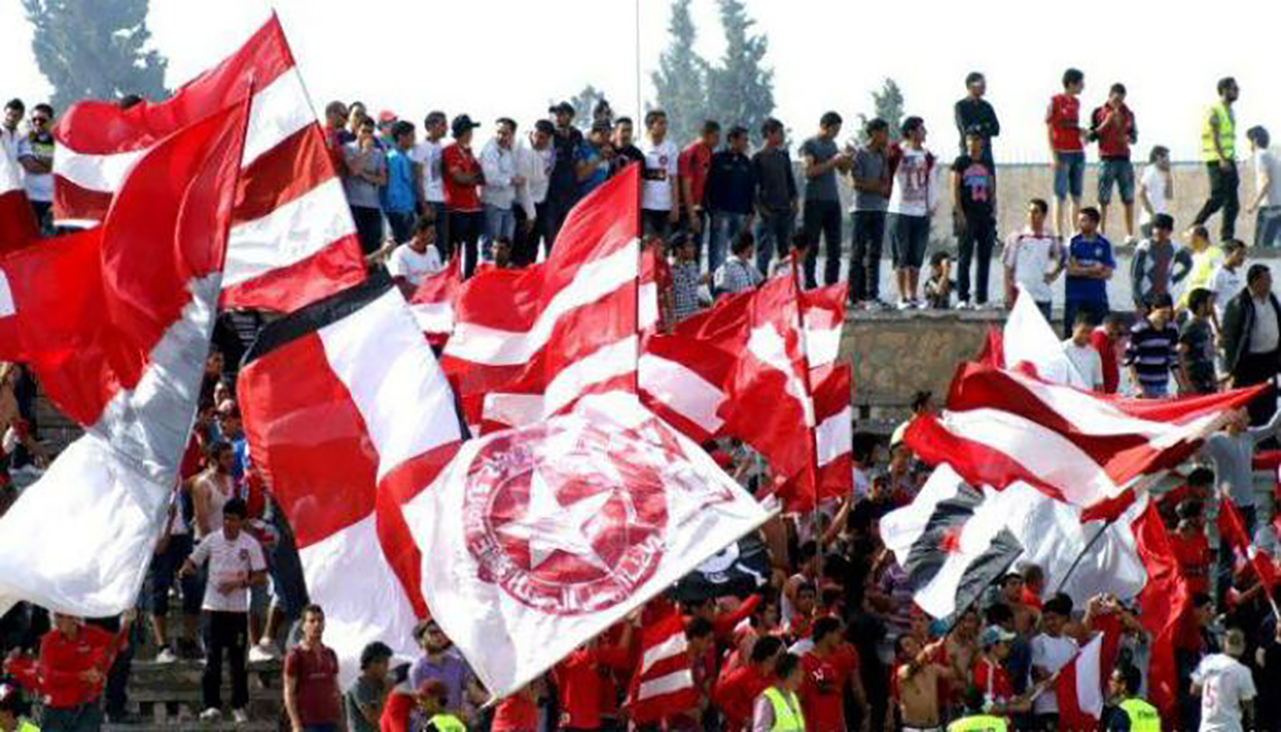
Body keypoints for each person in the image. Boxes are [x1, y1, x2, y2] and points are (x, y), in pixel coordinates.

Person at [180, 498, 267, 723]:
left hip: (238, 610)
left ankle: (239, 705)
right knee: (212, 659)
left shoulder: (250, 544)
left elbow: (260, 576)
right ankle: (211, 705)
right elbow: (192, 561)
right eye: (226, 518)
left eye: (234, 520)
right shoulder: (212, 539)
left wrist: (238, 584)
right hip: (213, 608)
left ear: (242, 521)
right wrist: (187, 570)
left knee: (238, 660)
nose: (229, 524)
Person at [887, 117, 938, 309]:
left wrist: (931, 206)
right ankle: (902, 297)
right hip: (899, 210)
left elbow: (931, 181)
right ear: (911, 132)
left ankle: (913, 295)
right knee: (901, 256)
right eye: (921, 129)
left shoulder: (928, 156)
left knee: (916, 256)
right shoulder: (898, 152)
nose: (925, 132)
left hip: (920, 211)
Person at [1221, 264, 1281, 424]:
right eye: (1267, 279)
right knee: (1249, 403)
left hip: (1270, 360)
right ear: (1255, 281)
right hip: (1248, 363)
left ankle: (1267, 438)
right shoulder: (1239, 303)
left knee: (1269, 398)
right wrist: (1230, 370)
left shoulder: (1272, 299)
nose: (1270, 283)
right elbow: (1230, 339)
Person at [800, 112, 851, 289]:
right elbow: (809, 171)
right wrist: (832, 161)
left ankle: (831, 285)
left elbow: (843, 171)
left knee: (834, 248)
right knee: (812, 246)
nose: (836, 133)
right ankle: (809, 283)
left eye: (838, 130)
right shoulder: (810, 144)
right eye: (834, 129)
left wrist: (846, 158)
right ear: (824, 126)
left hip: (832, 201)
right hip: (814, 200)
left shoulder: (833, 144)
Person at [849, 118, 893, 309]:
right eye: (884, 132)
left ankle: (871, 294)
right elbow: (856, 183)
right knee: (858, 253)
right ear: (874, 133)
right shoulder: (860, 154)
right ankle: (853, 295)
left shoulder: (882, 156)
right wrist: (876, 186)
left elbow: (885, 183)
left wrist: (878, 186)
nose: (887, 137)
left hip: (878, 209)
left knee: (875, 254)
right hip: (861, 210)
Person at [952, 126, 997, 309]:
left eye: (977, 139)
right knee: (965, 257)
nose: (973, 143)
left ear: (983, 142)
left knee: (984, 258)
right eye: (970, 139)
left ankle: (981, 298)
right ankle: (963, 297)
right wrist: (959, 212)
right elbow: (954, 187)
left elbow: (992, 186)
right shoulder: (961, 162)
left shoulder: (987, 162)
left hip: (985, 215)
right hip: (967, 214)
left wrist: (994, 208)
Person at [1193, 77, 1242, 241]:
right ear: (1224, 90)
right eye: (1234, 89)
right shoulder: (1214, 109)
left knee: (1233, 203)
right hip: (1216, 159)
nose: (1237, 91)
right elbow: (1214, 135)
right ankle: (1195, 226)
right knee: (1218, 198)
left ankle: (1227, 237)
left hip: (1228, 159)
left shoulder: (1230, 110)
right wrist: (1222, 158)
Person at [800, 616, 868, 732]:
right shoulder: (804, 663)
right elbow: (799, 698)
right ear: (827, 635)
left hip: (837, 725)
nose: (841, 639)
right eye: (838, 634)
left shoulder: (842, 658)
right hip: (813, 726)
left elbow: (854, 687)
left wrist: (866, 711)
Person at [1090, 83, 1139, 242]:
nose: (1118, 102)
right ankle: (1101, 232)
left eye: (1121, 99)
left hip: (1124, 159)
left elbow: (1134, 137)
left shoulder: (1129, 114)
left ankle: (1129, 234)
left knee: (1128, 198)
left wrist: (1128, 138)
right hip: (1106, 159)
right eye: (1116, 99)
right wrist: (1107, 122)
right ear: (1110, 96)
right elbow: (1091, 136)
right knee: (1103, 198)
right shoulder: (1099, 112)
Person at [408, 619, 484, 721]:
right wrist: (457, 715)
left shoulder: (458, 663)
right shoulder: (417, 669)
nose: (440, 635)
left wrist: (501, 695)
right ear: (421, 639)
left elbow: (474, 694)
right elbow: (424, 707)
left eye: (443, 631)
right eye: (433, 632)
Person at [706, 125, 757, 278]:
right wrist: (712, 212)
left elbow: (751, 190)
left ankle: (737, 288)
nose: (746, 143)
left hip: (741, 214)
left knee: (739, 254)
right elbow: (709, 187)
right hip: (721, 213)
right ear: (732, 140)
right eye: (743, 140)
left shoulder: (747, 163)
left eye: (747, 140)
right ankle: (716, 290)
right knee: (718, 253)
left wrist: (750, 213)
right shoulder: (717, 159)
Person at [283, 605, 342, 732]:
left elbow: (336, 688)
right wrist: (295, 724)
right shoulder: (295, 655)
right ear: (303, 626)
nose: (317, 624)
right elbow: (289, 693)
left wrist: (341, 720)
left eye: (320, 620)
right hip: (307, 723)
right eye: (312, 620)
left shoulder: (330, 654)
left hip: (330, 721)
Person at [1003, 198, 1064, 320]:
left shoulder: (1050, 237)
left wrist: (1054, 274)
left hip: (1043, 296)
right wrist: (1008, 294)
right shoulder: (1017, 236)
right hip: (1022, 295)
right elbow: (1008, 267)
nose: (1031, 215)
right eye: (1030, 211)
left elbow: (1062, 259)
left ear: (1044, 215)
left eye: (1036, 211)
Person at [753, 118, 798, 277]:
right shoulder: (757, 157)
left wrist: (795, 201)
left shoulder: (783, 155)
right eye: (779, 133)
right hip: (768, 212)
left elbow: (790, 181)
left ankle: (784, 285)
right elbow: (754, 188)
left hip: (785, 210)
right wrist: (761, 210)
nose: (782, 136)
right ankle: (761, 285)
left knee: (785, 251)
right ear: (769, 134)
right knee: (765, 251)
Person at [442, 115, 485, 278]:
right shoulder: (449, 150)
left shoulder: (468, 152)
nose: (472, 134)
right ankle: (454, 280)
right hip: (457, 207)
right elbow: (459, 178)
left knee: (473, 247)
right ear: (465, 132)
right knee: (456, 249)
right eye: (470, 130)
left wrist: (471, 177)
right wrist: (472, 177)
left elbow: (482, 176)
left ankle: (469, 280)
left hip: (473, 207)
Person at [1046, 68, 1087, 237]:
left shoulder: (1077, 103)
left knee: (1076, 193)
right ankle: (1058, 232)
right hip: (1061, 152)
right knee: (1060, 193)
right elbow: (1049, 128)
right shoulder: (1055, 101)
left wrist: (1082, 132)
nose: (1083, 86)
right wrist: (1052, 154)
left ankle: (1075, 231)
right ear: (1071, 83)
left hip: (1077, 151)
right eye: (1080, 83)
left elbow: (1071, 126)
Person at [1191, 628, 1256, 732]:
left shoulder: (1208, 661)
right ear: (1243, 647)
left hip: (1207, 727)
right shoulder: (1243, 671)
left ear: (1224, 644)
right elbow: (1247, 703)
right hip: (1230, 727)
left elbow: (1194, 690)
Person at [1063, 206, 1115, 338]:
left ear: (1094, 223)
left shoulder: (1104, 244)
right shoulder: (1072, 242)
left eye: (1083, 220)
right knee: (1071, 335)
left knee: (1099, 335)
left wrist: (1081, 269)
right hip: (1075, 298)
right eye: (1079, 220)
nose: (1079, 224)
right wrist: (1093, 269)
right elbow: (1070, 271)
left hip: (1098, 298)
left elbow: (1108, 273)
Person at [1030, 595, 1079, 730]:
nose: (1050, 623)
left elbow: (1076, 675)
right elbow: (1042, 673)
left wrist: (1061, 682)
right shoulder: (1038, 642)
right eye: (1046, 619)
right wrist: (1065, 681)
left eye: (1054, 618)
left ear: (1064, 618)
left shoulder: (1073, 645)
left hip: (1067, 708)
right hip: (1046, 708)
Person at [479, 117, 524, 263]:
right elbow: (490, 177)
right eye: (498, 132)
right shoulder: (490, 149)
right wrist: (512, 180)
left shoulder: (512, 150)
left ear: (512, 135)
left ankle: (502, 281)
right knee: (491, 248)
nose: (501, 136)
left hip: (508, 204)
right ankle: (486, 280)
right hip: (492, 204)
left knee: (506, 247)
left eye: (505, 133)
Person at [343, 117, 387, 255]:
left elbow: (382, 180)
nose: (367, 135)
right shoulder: (348, 148)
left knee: (373, 247)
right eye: (364, 131)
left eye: (370, 132)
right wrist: (366, 152)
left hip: (373, 206)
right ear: (357, 130)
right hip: (354, 204)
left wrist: (364, 173)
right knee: (356, 248)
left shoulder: (378, 153)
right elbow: (354, 170)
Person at [512, 119, 553, 266]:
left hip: (540, 203)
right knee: (519, 251)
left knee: (532, 251)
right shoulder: (523, 151)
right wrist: (531, 215)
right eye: (538, 136)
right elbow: (523, 187)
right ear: (532, 133)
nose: (540, 140)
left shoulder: (547, 149)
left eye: (544, 138)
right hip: (523, 206)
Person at [1130, 213, 1192, 313]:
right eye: (1156, 228)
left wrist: (1175, 279)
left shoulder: (1174, 247)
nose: (1159, 232)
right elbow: (1135, 276)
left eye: (1164, 229)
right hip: (1146, 298)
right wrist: (1138, 301)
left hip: (1165, 298)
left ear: (1169, 231)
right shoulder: (1145, 247)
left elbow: (1188, 264)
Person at [895, 633, 956, 732]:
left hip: (934, 728)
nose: (914, 645)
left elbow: (953, 675)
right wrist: (926, 652)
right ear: (901, 654)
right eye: (907, 644)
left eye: (914, 642)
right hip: (913, 729)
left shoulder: (933, 668)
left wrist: (952, 658)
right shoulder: (902, 670)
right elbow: (912, 669)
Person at [679, 120, 721, 261]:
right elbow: (686, 185)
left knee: (696, 252)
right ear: (705, 134)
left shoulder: (709, 152)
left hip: (700, 209)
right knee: (686, 251)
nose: (717, 141)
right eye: (715, 136)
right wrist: (692, 215)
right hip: (686, 211)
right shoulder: (690, 153)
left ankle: (695, 281)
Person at [1125, 292, 1181, 398]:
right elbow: (1128, 360)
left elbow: (1173, 359)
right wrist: (1137, 386)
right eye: (1163, 313)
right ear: (1153, 308)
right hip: (1143, 384)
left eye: (1168, 313)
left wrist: (1181, 384)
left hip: (1161, 384)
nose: (1166, 317)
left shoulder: (1171, 329)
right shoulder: (1139, 329)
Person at [412, 111, 451, 259]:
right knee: (428, 242)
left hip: (441, 200)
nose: (445, 128)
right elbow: (418, 177)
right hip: (428, 200)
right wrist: (424, 204)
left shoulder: (442, 147)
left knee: (441, 245)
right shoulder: (420, 147)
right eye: (442, 124)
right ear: (430, 126)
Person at [545, 102, 584, 247]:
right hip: (551, 195)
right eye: (555, 114)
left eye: (561, 114)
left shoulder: (576, 135)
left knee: (570, 237)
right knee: (551, 238)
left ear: (570, 116)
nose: (557, 117)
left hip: (572, 194)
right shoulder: (549, 135)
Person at [641, 109, 680, 240]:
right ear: (650, 126)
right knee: (648, 248)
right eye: (661, 123)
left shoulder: (671, 148)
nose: (665, 127)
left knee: (664, 248)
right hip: (646, 207)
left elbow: (674, 178)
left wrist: (675, 206)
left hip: (665, 207)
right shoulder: (640, 147)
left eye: (665, 123)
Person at [16, 103, 53, 234]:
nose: (37, 123)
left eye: (42, 120)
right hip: (30, 201)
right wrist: (55, 164)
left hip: (53, 203)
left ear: (50, 121)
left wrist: (43, 163)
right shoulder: (25, 141)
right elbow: (30, 166)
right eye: (34, 119)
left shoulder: (59, 141)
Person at [382, 120, 419, 244]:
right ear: (401, 137)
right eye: (411, 136)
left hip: (408, 210)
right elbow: (393, 186)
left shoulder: (405, 157)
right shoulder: (393, 157)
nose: (414, 139)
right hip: (398, 212)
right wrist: (400, 211)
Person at [954, 72, 1000, 172]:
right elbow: (966, 129)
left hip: (986, 153)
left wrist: (979, 127)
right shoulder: (960, 106)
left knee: (988, 183)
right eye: (981, 84)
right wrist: (984, 126)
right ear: (971, 86)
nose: (984, 87)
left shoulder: (987, 107)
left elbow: (996, 129)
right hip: (968, 153)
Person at [387, 218, 443, 297]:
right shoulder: (400, 253)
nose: (435, 236)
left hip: (432, 297)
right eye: (431, 233)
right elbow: (402, 286)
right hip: (411, 301)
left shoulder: (433, 250)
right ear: (419, 232)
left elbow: (439, 276)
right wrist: (426, 293)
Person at [752, 652, 805, 732]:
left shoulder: (793, 697)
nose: (803, 674)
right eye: (799, 670)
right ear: (790, 672)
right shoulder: (767, 699)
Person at [1179, 288, 1219, 395]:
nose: (1212, 307)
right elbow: (1180, 355)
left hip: (1208, 383)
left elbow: (1208, 357)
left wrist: (1214, 380)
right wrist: (1187, 384)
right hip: (1195, 384)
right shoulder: (1191, 327)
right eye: (1210, 303)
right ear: (1201, 305)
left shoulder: (1207, 326)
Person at [1246, 125, 1281, 247]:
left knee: (1261, 249)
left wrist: (1254, 204)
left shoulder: (1261, 155)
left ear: (1254, 140)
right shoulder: (1272, 156)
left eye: (1248, 141)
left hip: (1269, 208)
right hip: (1278, 206)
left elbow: (1266, 181)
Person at [346, 641, 393, 732]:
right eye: (385, 663)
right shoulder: (358, 686)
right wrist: (385, 691)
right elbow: (372, 718)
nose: (387, 668)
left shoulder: (379, 684)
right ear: (372, 663)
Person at [1100, 663, 1158, 732]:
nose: (1109, 683)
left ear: (1123, 685)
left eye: (1112, 679)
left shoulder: (1120, 713)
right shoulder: (1151, 710)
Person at [1178, 226, 1223, 311]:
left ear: (1199, 237)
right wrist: (1180, 305)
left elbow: (1219, 280)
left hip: (1208, 307)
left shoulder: (1215, 253)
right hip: (1194, 306)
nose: (1187, 241)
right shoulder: (1194, 257)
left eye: (1189, 238)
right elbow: (1191, 286)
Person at [1208, 239, 1247, 327]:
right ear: (1229, 253)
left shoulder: (1236, 273)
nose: (1242, 258)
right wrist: (1217, 330)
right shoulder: (1219, 274)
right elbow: (1209, 304)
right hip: (1222, 324)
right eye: (1239, 254)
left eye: (1244, 254)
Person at [669, 231, 706, 323]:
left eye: (693, 246)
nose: (694, 249)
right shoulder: (669, 270)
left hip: (693, 320)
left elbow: (691, 285)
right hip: (678, 322)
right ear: (678, 250)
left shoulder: (692, 265)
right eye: (689, 246)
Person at [714, 231, 763, 297]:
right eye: (752, 246)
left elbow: (764, 284)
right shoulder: (726, 269)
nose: (753, 249)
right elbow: (721, 297)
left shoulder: (750, 268)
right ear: (747, 247)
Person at [1138, 145, 1173, 239]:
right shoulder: (1151, 172)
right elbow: (1141, 193)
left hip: (1160, 220)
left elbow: (1169, 196)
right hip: (1150, 221)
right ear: (1158, 157)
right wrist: (1152, 214)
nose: (1169, 161)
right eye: (1167, 158)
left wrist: (1169, 176)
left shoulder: (1161, 173)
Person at [1063, 312, 1105, 390]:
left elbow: (1098, 383)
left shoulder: (1094, 353)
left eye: (1089, 332)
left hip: (1087, 398)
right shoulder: (1062, 350)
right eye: (1082, 331)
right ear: (1074, 327)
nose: (1085, 335)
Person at [1090, 313, 1127, 395]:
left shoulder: (1110, 340)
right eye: (1112, 333)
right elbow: (1098, 365)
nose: (1115, 336)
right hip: (1103, 386)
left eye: (1119, 333)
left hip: (1111, 385)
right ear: (1107, 326)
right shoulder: (1099, 340)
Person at [574, 120, 614, 197]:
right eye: (602, 134)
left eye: (608, 135)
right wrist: (599, 158)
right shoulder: (582, 147)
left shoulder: (606, 148)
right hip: (584, 199)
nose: (606, 138)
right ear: (593, 132)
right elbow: (580, 176)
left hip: (600, 198)